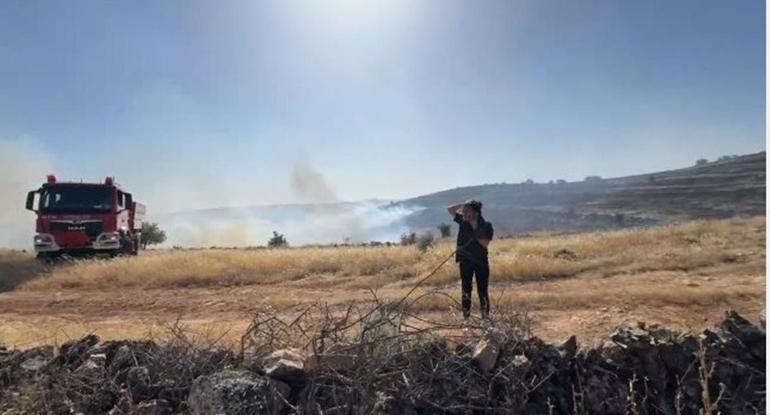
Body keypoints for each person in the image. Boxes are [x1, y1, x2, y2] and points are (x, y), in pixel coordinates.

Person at [447, 200, 494, 318]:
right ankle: (466, 318)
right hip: (465, 261)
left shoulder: (486, 225)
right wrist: (463, 204)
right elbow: (450, 209)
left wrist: (475, 229)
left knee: (482, 290)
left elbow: (484, 243)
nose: (464, 214)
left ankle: (485, 318)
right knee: (466, 290)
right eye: (463, 211)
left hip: (480, 262)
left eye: (467, 211)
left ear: (476, 213)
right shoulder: (463, 223)